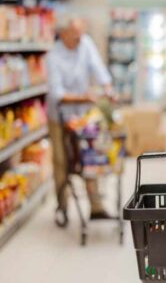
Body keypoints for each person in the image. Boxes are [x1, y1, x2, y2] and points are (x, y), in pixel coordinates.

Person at [46, 16, 115, 226]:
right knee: (61, 161)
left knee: (90, 155)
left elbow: (98, 68)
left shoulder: (84, 44)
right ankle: (62, 206)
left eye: (81, 34)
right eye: (75, 35)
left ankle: (96, 207)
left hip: (83, 115)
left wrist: (107, 87)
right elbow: (58, 93)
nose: (79, 38)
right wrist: (86, 97)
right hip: (60, 116)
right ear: (64, 34)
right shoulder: (53, 56)